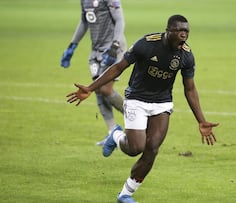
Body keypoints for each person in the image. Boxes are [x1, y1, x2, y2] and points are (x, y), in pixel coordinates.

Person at [67, 14, 219, 203]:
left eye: (186, 31)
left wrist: (201, 120)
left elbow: (190, 88)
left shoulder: (186, 55)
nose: (184, 35)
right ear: (168, 31)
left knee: (152, 149)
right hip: (136, 100)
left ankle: (126, 194)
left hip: (162, 103)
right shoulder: (146, 44)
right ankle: (115, 135)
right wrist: (91, 88)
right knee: (135, 148)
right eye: (180, 31)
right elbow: (118, 68)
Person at [60, 0, 126, 139]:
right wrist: (73, 45)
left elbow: (120, 20)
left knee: (105, 89)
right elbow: (84, 21)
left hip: (112, 48)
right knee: (97, 90)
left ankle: (135, 116)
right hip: (96, 50)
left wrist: (115, 46)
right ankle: (112, 132)